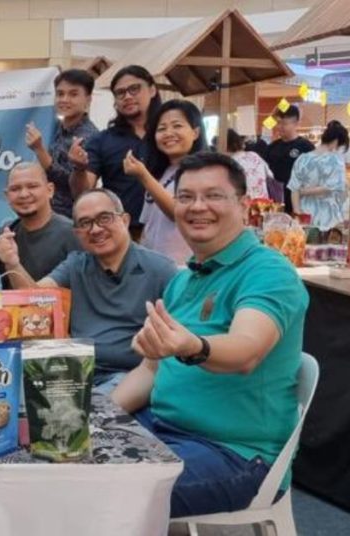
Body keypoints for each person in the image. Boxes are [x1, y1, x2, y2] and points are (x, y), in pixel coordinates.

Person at [112, 152, 308, 517]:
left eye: (214, 196)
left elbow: (246, 351)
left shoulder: (268, 271)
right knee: (57, 459)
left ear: (244, 205)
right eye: (185, 197)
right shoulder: (185, 278)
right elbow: (148, 372)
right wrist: (98, 418)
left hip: (233, 453)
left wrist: (192, 346)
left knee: (96, 494)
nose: (197, 207)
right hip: (162, 427)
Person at [0, 188, 176, 391]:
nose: (96, 229)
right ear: (77, 233)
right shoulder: (76, 265)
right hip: (74, 371)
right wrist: (12, 263)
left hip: (130, 376)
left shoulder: (160, 270)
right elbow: (34, 301)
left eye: (104, 218)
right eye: (85, 223)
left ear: (124, 220)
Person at [69, 64, 161, 236]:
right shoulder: (102, 140)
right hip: (122, 232)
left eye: (134, 89)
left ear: (152, 90)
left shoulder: (168, 135)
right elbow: (82, 193)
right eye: (120, 93)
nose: (127, 96)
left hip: (168, 228)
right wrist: (79, 168)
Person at [122, 99, 206, 263]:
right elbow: (148, 224)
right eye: (161, 129)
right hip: (152, 263)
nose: (168, 133)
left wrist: (143, 176)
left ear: (195, 132)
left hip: (181, 264)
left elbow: (178, 212)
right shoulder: (162, 172)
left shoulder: (200, 171)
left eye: (177, 126)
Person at [24, 69, 100, 218]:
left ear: (88, 99)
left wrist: (40, 150)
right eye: (60, 94)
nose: (64, 99)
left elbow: (73, 185)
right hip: (48, 215)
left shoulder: (89, 136)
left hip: (71, 220)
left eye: (73, 94)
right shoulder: (57, 127)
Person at [289, 121, 349, 235]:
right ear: (336, 141)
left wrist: (297, 213)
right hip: (328, 216)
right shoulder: (336, 161)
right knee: (327, 250)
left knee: (304, 249)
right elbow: (331, 187)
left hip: (305, 213)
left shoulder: (302, 158)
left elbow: (294, 189)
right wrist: (305, 192)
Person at [265, 104, 315, 213]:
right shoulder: (272, 147)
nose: (280, 127)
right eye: (278, 123)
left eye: (284, 124)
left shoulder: (306, 147)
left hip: (298, 203)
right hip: (275, 203)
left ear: (296, 124)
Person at [227, 129, 273, 200]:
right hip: (263, 203)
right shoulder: (254, 155)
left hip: (242, 204)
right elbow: (270, 175)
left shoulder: (229, 163)